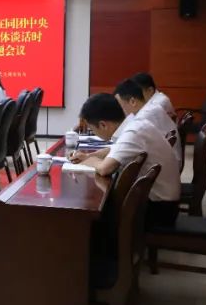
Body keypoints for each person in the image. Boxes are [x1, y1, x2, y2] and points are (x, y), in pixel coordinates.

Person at [72, 93, 181, 227]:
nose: (94, 133)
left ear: (103, 125)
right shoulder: (134, 125)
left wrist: (87, 161)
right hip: (159, 203)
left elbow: (105, 168)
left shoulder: (134, 132)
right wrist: (89, 156)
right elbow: (115, 149)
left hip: (160, 210)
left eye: (92, 129)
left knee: (93, 216)